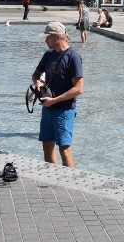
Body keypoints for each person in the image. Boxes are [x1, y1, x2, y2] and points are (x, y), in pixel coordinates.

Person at [31, 21, 84, 168]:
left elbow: (79, 89)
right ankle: (52, 176)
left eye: (47, 37)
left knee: (64, 149)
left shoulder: (73, 57)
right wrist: (38, 83)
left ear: (56, 37)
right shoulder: (48, 54)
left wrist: (54, 100)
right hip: (47, 109)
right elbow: (36, 74)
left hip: (64, 110)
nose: (45, 40)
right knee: (47, 146)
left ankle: (70, 183)